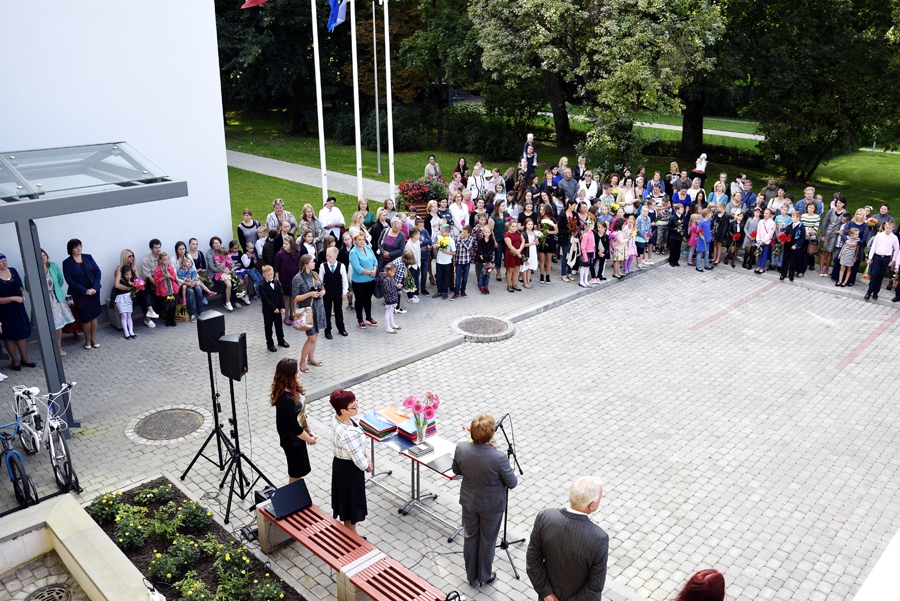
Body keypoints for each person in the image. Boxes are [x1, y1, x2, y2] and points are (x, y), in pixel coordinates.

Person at [451, 413, 517, 587]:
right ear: (491, 435)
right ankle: (484, 576)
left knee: (470, 537)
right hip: (491, 506)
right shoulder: (499, 458)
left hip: (469, 501)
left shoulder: (461, 448)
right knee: (487, 540)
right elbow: (512, 483)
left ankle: (471, 575)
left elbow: (456, 470)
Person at [526, 476, 609, 601]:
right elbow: (594, 588)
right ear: (591, 505)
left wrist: (547, 593)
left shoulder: (545, 517)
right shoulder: (599, 539)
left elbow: (533, 561)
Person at [329, 389, 371, 534]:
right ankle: (351, 538)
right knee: (351, 505)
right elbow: (357, 459)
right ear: (343, 410)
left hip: (341, 466)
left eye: (356, 403)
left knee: (347, 503)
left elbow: (357, 449)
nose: (356, 407)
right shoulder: (347, 433)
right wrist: (368, 465)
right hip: (349, 471)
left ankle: (351, 534)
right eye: (353, 406)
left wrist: (365, 454)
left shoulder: (338, 418)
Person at [272, 358, 317, 483]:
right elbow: (295, 428)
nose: (300, 373)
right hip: (292, 441)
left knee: (298, 471)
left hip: (299, 437)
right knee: (295, 473)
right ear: (289, 375)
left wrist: (310, 430)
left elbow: (302, 413)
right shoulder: (285, 399)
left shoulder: (293, 388)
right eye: (297, 372)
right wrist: (310, 439)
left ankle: (295, 498)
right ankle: (293, 499)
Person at [62, 239, 102, 350]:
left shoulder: (88, 257)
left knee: (94, 315)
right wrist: (85, 291)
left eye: (80, 246)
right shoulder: (67, 263)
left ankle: (94, 338)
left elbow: (97, 272)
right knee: (85, 317)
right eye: (76, 247)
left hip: (94, 291)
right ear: (71, 249)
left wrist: (94, 287)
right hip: (80, 294)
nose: (79, 248)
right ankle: (87, 340)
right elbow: (70, 280)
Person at [0, 253, 36, 369]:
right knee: (9, 335)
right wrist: (12, 298)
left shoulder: (13, 270)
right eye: (1, 261)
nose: (4, 263)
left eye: (5, 260)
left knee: (21, 333)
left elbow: (20, 285)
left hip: (18, 307)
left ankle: (24, 358)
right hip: (4, 310)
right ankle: (14, 361)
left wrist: (22, 293)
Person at [292, 254, 325, 372]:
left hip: (318, 308)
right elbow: (295, 297)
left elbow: (322, 289)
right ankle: (302, 361)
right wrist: (310, 294)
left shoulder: (314, 274)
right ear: (305, 264)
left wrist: (321, 293)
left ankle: (311, 358)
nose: (314, 263)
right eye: (312, 261)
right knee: (311, 338)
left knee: (315, 335)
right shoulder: (298, 278)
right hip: (307, 311)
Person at [40, 250, 75, 355]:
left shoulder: (53, 266)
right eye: (40, 256)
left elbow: (60, 280)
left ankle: (58, 346)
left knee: (58, 325)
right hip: (42, 300)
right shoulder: (33, 269)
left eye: (44, 255)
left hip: (55, 298)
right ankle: (48, 348)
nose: (43, 257)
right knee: (45, 325)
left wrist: (55, 291)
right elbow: (28, 286)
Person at [349, 231, 379, 328]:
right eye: (359, 240)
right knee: (360, 300)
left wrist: (374, 269)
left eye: (363, 240)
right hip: (359, 281)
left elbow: (375, 260)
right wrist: (370, 272)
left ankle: (369, 317)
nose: (362, 242)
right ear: (355, 241)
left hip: (370, 280)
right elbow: (358, 269)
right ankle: (360, 319)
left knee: (368, 299)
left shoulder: (368, 248)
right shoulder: (353, 252)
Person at [318, 246, 349, 339]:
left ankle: (341, 328)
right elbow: (320, 280)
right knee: (327, 311)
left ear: (336, 256)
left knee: (338, 310)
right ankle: (327, 330)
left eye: (330, 256)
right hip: (327, 293)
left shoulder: (341, 266)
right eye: (327, 256)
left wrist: (344, 293)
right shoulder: (323, 266)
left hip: (337, 292)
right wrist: (321, 291)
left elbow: (344, 281)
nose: (328, 258)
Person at [258, 265, 290, 352]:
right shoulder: (262, 285)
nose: (270, 276)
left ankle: (281, 340)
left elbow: (280, 295)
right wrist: (273, 308)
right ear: (263, 275)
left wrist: (282, 307)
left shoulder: (276, 283)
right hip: (268, 311)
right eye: (268, 275)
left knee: (279, 326)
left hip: (278, 310)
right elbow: (265, 299)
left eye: (271, 274)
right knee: (268, 327)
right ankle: (270, 343)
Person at [865, 221, 899, 300]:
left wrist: (893, 260)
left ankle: (876, 292)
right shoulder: (879, 236)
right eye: (886, 228)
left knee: (880, 276)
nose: (887, 230)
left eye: (889, 228)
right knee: (874, 274)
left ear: (893, 228)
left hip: (886, 258)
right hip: (877, 257)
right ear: (884, 227)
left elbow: (896, 249)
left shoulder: (894, 238)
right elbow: (873, 246)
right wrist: (870, 258)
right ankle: (869, 292)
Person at [274, 235, 300, 322]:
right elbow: (276, 268)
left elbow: (299, 266)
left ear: (291, 244)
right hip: (284, 279)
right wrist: (277, 280)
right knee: (286, 298)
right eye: (284, 243)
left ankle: (293, 315)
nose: (284, 245)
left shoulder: (296, 254)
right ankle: (286, 317)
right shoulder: (280, 254)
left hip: (294, 279)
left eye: (287, 244)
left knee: (293, 297)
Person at [152, 252, 180, 327]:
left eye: (168, 260)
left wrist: (170, 276)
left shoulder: (170, 267)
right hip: (165, 291)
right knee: (168, 306)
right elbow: (156, 280)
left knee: (173, 305)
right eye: (165, 260)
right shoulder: (158, 269)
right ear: (161, 260)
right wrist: (163, 277)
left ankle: (172, 319)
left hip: (172, 290)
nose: (167, 261)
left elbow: (174, 277)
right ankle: (168, 319)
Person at [780, 211, 807, 282]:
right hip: (787, 245)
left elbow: (802, 238)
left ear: (798, 218)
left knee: (793, 261)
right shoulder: (789, 225)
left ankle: (791, 275)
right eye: (792, 217)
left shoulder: (801, 227)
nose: (792, 218)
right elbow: (786, 233)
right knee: (785, 259)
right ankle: (783, 273)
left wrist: (796, 244)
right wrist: (783, 239)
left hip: (795, 247)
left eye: (793, 217)